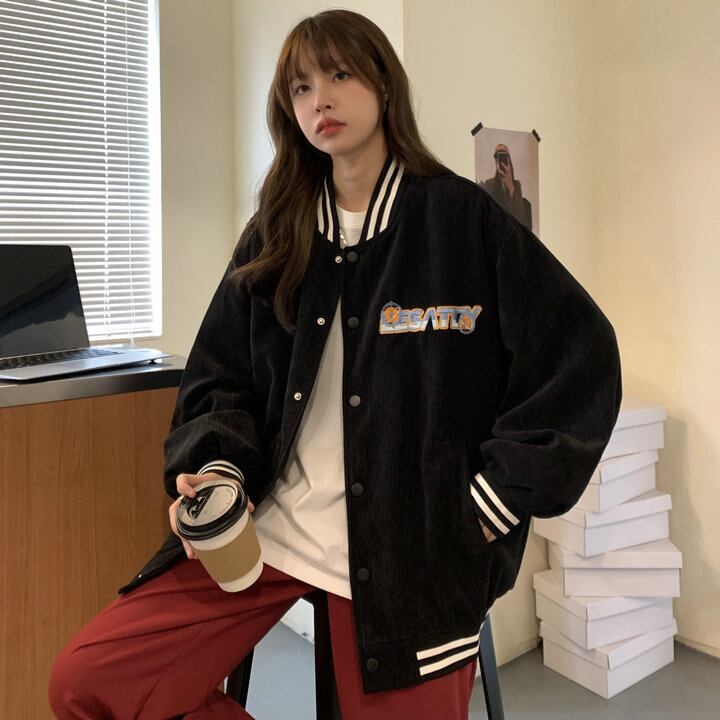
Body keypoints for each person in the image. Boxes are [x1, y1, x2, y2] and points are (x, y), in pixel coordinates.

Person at [48, 8, 622, 720]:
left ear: (382, 83)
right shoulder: (276, 233)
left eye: (340, 75)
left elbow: (580, 359)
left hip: (415, 550)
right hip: (270, 533)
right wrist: (218, 467)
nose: (319, 99)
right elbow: (219, 375)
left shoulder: (462, 221)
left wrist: (489, 503)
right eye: (300, 87)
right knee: (88, 683)